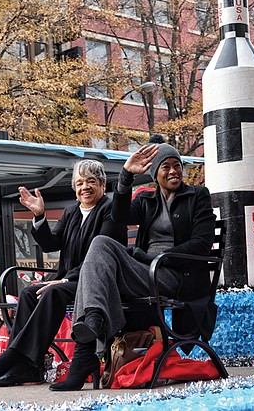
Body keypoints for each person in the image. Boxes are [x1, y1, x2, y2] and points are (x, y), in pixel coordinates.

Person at [49, 142, 216, 391]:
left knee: (99, 250)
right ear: (155, 174)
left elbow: (201, 244)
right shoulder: (147, 199)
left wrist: (153, 258)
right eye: (166, 167)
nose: (173, 172)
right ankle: (90, 332)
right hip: (146, 272)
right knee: (101, 243)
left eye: (177, 166)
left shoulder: (198, 196)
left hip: (176, 276)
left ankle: (86, 353)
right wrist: (126, 176)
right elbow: (119, 217)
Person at [0, 159, 128, 386]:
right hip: (69, 279)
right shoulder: (72, 212)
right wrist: (39, 216)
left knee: (52, 293)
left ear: (103, 185)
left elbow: (99, 257)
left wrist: (64, 279)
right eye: (79, 183)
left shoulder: (109, 211)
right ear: (74, 189)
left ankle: (13, 355)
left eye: (91, 182)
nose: (84, 187)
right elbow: (50, 244)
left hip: (99, 281)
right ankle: (24, 368)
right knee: (28, 294)